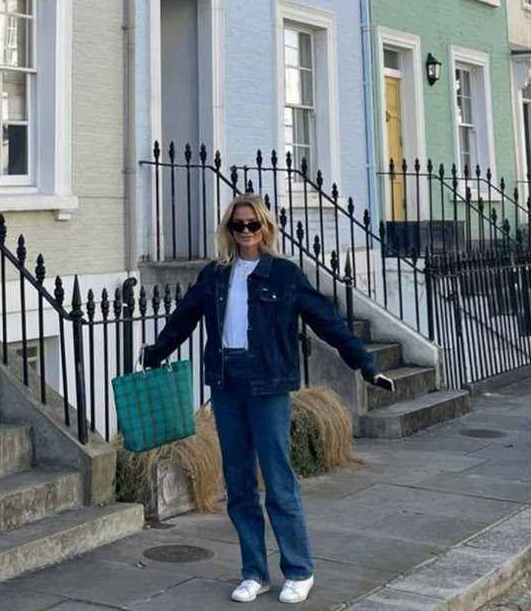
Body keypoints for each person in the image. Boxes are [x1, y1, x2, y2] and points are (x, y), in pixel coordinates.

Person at [142, 193, 394, 605]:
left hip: (268, 386)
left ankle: (299, 569)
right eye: (238, 225)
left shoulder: (284, 275)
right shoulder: (215, 276)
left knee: (278, 481)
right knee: (239, 484)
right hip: (226, 385)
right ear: (228, 230)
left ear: (266, 229)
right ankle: (254, 572)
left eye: (252, 224)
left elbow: (328, 321)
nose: (245, 232)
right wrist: (154, 354)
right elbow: (182, 319)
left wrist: (365, 365)